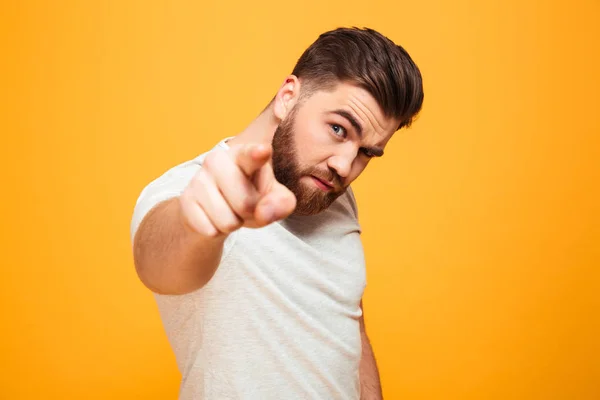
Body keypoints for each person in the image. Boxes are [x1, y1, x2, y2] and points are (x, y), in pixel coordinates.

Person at [130, 26, 423, 400]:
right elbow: (155, 262)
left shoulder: (332, 197)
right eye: (338, 129)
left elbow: (350, 326)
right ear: (288, 96)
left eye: (368, 152)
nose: (346, 165)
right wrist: (203, 223)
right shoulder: (192, 188)